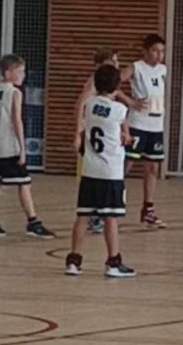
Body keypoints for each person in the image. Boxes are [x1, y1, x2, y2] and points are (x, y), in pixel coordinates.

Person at [65, 64, 135, 277]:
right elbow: (124, 135)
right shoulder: (120, 110)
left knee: (83, 217)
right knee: (111, 218)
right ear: (117, 86)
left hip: (90, 170)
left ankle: (73, 261)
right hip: (110, 172)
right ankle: (113, 262)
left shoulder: (90, 105)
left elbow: (86, 111)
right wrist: (126, 137)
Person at [0, 54, 55, 240]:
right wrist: (23, 149)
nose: (23, 75)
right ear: (8, 73)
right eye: (20, 71)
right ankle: (33, 222)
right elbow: (17, 121)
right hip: (9, 147)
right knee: (24, 183)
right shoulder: (15, 93)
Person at [77, 48, 134, 235]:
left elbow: (117, 98)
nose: (117, 65)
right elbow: (80, 104)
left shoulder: (107, 86)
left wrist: (129, 103)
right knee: (97, 177)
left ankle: (99, 216)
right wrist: (77, 132)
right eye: (113, 61)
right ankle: (98, 217)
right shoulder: (94, 83)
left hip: (103, 131)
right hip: (93, 133)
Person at [125, 34, 168, 228]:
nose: (159, 55)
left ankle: (148, 210)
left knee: (153, 167)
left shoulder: (163, 70)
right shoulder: (136, 67)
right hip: (138, 124)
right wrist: (130, 101)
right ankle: (105, 205)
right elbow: (113, 84)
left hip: (156, 126)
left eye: (162, 51)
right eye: (155, 50)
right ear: (146, 51)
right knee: (126, 164)